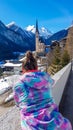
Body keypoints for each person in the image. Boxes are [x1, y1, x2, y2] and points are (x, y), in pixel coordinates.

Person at [13, 51, 72, 130]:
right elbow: (52, 82)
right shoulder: (46, 78)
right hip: (52, 119)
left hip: (30, 124)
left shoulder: (18, 84)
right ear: (37, 67)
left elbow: (18, 104)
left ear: (23, 69)